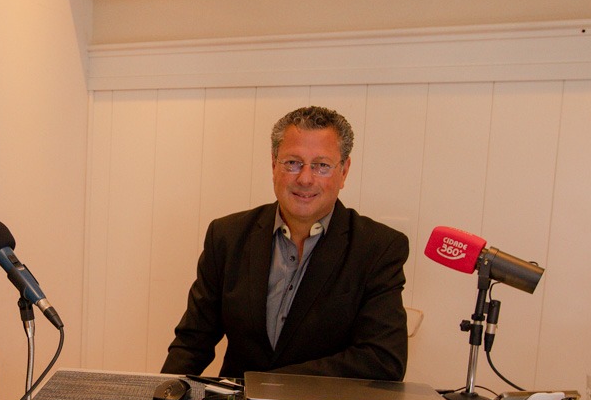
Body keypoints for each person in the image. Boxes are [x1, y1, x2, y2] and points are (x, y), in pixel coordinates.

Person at [161, 106, 410, 381]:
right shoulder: (227, 236)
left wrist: (270, 386)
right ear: (273, 165)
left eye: (322, 166)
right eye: (292, 163)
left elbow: (383, 360)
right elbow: (193, 341)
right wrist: (161, 395)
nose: (305, 178)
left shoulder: (378, 248)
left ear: (344, 171)